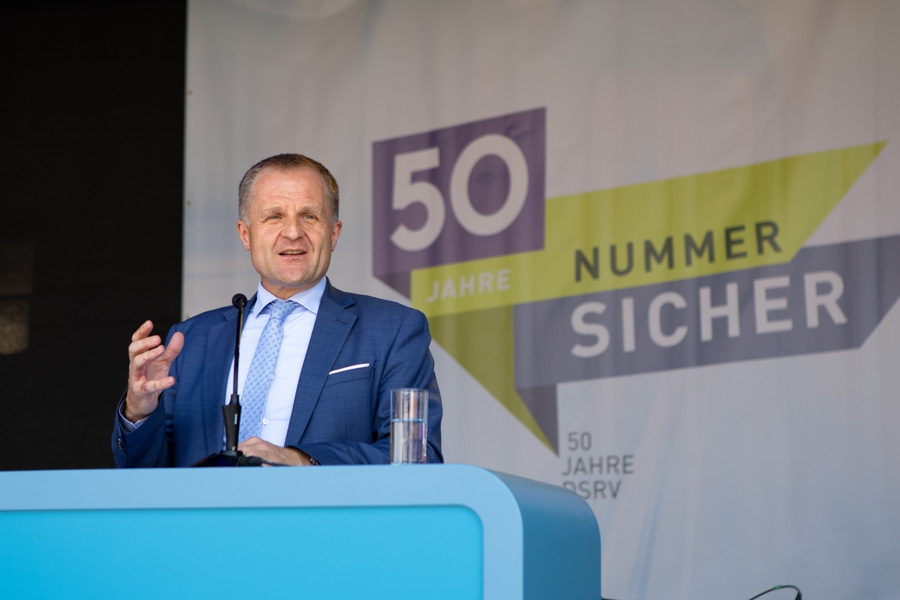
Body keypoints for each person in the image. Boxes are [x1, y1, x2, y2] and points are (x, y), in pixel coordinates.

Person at [112, 154, 443, 467]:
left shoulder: (393, 329)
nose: (293, 233)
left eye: (309, 216)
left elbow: (416, 457)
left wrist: (299, 460)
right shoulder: (191, 340)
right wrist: (139, 411)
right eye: (274, 217)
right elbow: (149, 478)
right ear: (245, 235)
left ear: (334, 234)